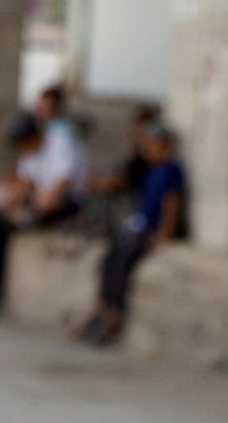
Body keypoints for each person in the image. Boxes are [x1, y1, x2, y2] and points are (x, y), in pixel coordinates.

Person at [0, 86, 89, 313]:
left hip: (67, 202)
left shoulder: (60, 142)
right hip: (39, 200)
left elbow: (62, 185)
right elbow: (26, 181)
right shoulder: (31, 152)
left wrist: (30, 204)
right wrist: (9, 199)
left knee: (5, 225)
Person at [79, 118, 185, 350]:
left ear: (165, 146)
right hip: (138, 225)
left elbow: (172, 205)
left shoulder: (171, 171)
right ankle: (100, 308)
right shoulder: (151, 170)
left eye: (154, 144)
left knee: (123, 260)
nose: (149, 149)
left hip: (149, 232)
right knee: (109, 258)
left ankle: (113, 314)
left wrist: (163, 236)